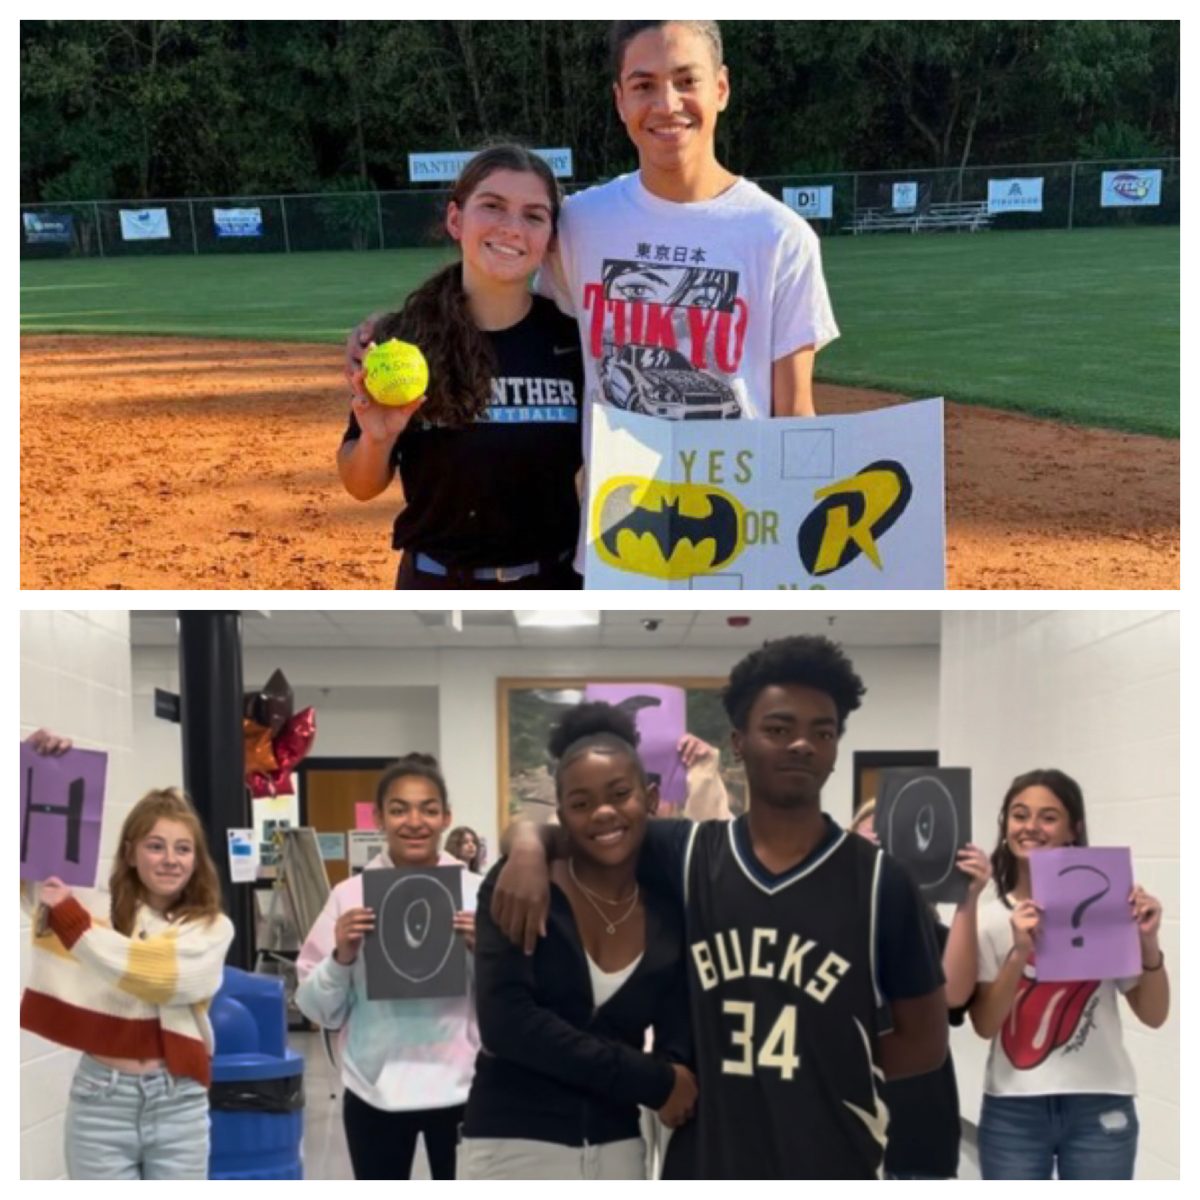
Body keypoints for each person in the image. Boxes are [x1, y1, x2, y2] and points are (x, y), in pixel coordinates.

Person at [348, 23, 838, 572]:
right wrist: (396, 326)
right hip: (617, 539)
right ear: (620, 98)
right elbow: (497, 287)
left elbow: (794, 410)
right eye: (644, 84)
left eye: (686, 80)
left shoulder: (780, 236)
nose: (666, 103)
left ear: (721, 88)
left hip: (737, 531)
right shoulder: (582, 222)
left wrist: (803, 550)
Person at [494, 636, 947, 1179]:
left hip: (833, 1158)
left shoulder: (881, 881)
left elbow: (924, 1042)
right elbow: (583, 830)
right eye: (779, 729)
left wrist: (832, 1065)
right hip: (708, 1158)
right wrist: (523, 847)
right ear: (739, 741)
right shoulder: (686, 853)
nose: (801, 744)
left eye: (821, 732)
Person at [459, 703, 695, 1180]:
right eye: (582, 803)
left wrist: (676, 1071)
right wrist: (654, 1081)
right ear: (562, 813)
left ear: (649, 797)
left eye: (620, 793)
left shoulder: (669, 905)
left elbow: (678, 1020)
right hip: (510, 1144)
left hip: (620, 1148)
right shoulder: (520, 885)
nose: (604, 812)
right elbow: (507, 1024)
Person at [338, 143, 583, 589]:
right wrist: (378, 438)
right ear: (456, 219)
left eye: (533, 214)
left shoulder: (574, 342)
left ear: (550, 236)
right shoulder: (404, 340)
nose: (511, 228)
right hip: (436, 590)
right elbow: (360, 484)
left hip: (556, 586)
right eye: (492, 206)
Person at [20, 730, 234, 1180]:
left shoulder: (210, 928)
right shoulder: (96, 909)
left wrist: (74, 926)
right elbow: (27, 862)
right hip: (101, 1100)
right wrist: (33, 771)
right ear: (130, 854)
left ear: (197, 859)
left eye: (184, 848)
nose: (170, 859)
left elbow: (157, 976)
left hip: (179, 1102)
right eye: (155, 846)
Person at [969, 769, 1169, 1180]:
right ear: (1005, 826)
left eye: (1048, 817)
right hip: (1014, 1109)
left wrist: (1148, 943)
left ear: (1072, 830)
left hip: (1100, 1103)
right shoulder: (988, 921)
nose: (1031, 827)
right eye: (1020, 815)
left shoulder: (1107, 910)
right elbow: (985, 1025)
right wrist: (1018, 953)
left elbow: (1154, 1014)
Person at [295, 754, 480, 1180]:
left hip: (465, 1087)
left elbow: (514, 1001)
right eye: (399, 809)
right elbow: (317, 1009)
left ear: (446, 817)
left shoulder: (477, 894)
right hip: (374, 1089)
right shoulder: (349, 896)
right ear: (379, 817)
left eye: (428, 809)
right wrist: (341, 956)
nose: (414, 821)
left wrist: (486, 955)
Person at [849, 798, 991, 1179]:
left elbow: (954, 997)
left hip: (921, 1134)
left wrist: (969, 899)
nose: (884, 859)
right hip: (848, 1133)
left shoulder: (932, 936)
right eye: (871, 844)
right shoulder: (827, 933)